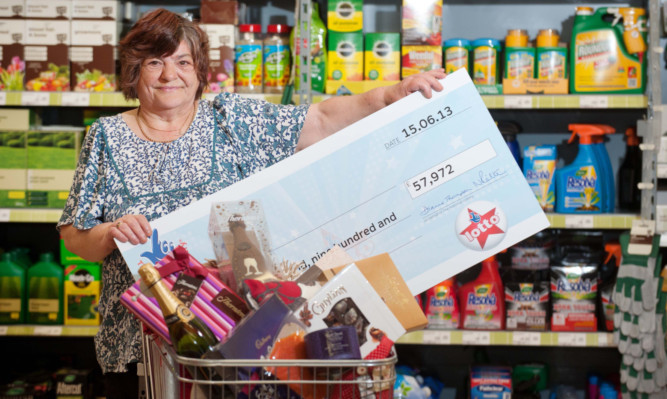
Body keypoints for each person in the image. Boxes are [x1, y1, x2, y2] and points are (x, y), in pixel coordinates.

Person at [58, 7, 446, 399]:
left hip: (238, 341)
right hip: (137, 344)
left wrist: (389, 95)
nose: (169, 74)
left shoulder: (233, 120)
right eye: (154, 62)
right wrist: (109, 233)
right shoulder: (105, 136)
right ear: (133, 71)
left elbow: (322, 120)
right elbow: (75, 235)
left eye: (182, 61)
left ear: (198, 71)